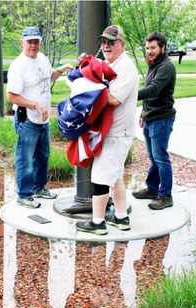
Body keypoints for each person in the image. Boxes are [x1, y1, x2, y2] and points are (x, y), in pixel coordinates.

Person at [76, 25, 139, 235]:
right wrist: (87, 64)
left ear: (122, 44)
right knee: (115, 176)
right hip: (112, 131)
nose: (106, 46)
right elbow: (98, 69)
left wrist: (88, 90)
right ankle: (121, 217)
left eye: (111, 42)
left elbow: (113, 99)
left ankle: (98, 222)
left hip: (117, 133)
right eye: (103, 42)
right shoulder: (113, 63)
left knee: (101, 177)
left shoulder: (125, 66)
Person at [7, 27, 73, 208]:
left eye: (36, 41)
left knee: (43, 156)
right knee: (25, 158)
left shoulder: (42, 58)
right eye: (30, 42)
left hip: (42, 119)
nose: (34, 45)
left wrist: (60, 69)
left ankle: (38, 188)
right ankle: (24, 194)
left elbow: (49, 77)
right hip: (27, 119)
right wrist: (35, 105)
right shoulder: (18, 66)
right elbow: (11, 96)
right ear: (22, 42)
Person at [132, 31, 176, 210]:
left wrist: (128, 94)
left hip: (162, 119)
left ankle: (165, 195)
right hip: (151, 117)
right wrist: (143, 113)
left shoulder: (166, 66)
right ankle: (152, 189)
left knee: (161, 157)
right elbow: (148, 91)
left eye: (153, 48)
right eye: (147, 47)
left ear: (162, 48)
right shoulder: (154, 64)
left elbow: (154, 89)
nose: (149, 51)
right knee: (153, 157)